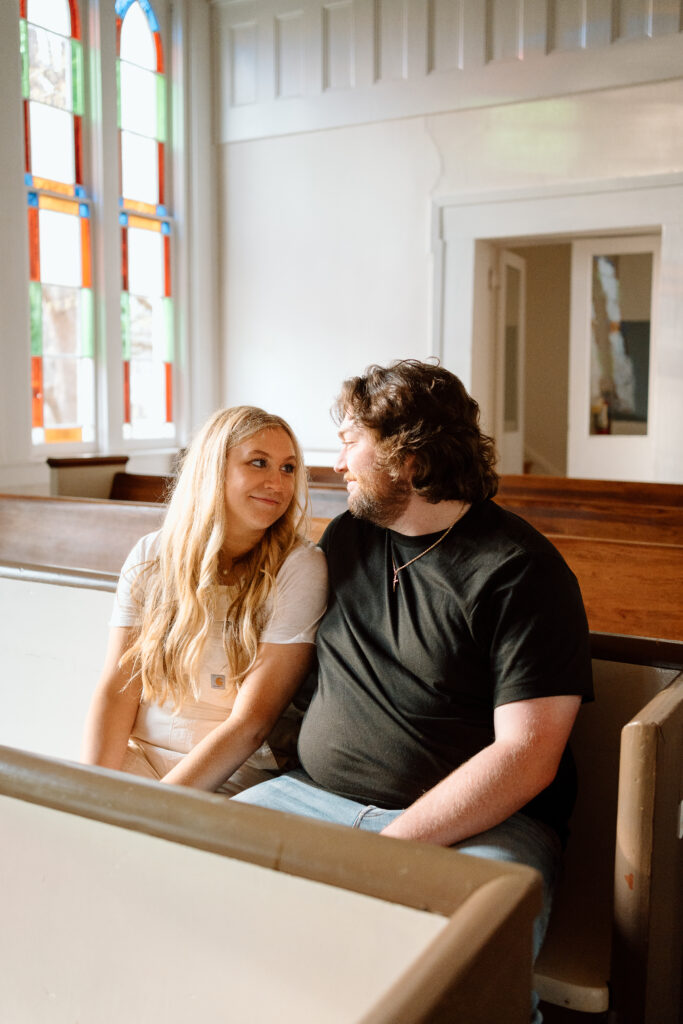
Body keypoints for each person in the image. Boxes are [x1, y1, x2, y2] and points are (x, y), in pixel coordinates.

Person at [234, 360, 593, 1014]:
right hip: (312, 798)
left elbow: (527, 756)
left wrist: (382, 852)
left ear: (408, 457)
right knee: (190, 885)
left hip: (483, 827)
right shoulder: (345, 539)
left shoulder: (519, 572)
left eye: (349, 440)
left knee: (462, 967)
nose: (336, 462)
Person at [81, 406, 327, 795]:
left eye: (288, 468)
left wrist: (159, 805)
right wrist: (91, 791)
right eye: (258, 463)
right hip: (140, 755)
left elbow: (251, 724)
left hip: (235, 772)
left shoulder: (299, 567)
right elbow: (117, 688)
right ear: (214, 468)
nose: (278, 484)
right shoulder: (152, 555)